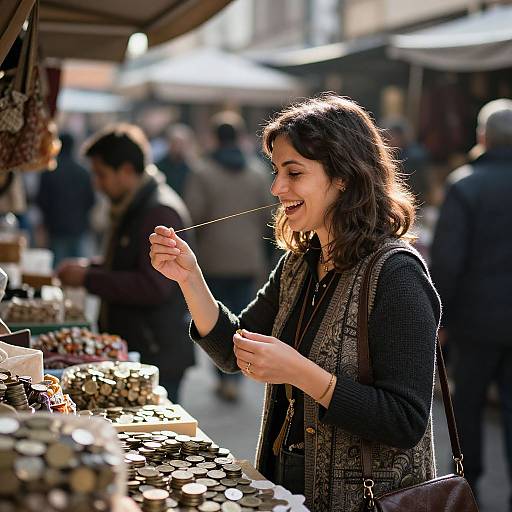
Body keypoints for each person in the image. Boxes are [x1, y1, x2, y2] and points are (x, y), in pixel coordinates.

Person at [150, 95, 440, 511]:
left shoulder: (396, 275)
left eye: (294, 173)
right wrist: (189, 277)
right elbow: (235, 350)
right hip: (287, 479)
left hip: (365, 500)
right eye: (276, 171)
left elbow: (405, 420)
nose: (276, 188)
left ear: (343, 177)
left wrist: (303, 374)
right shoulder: (302, 261)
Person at [57, 123, 195, 402]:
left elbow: (154, 285)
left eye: (101, 175)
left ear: (127, 171)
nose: (96, 183)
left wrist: (88, 278)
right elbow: (129, 263)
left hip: (155, 351)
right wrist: (91, 268)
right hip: (140, 344)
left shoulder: (159, 211)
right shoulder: (134, 204)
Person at [430, 99, 512, 509]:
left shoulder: (465, 184)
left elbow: (447, 260)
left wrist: (439, 317)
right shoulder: (466, 183)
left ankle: (468, 486)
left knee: (468, 404)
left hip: (475, 321)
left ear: (482, 137)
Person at [183, 111, 273, 402]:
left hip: (213, 259)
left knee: (215, 317)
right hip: (248, 259)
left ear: (214, 138)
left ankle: (224, 377)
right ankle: (239, 377)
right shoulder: (258, 173)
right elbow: (270, 218)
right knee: (243, 318)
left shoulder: (202, 172)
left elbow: (192, 215)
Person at [36, 133, 96, 267]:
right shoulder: (83, 172)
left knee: (58, 271)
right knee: (78, 270)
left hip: (56, 228)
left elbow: (41, 200)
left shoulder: (50, 171)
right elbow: (91, 200)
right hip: (78, 228)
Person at [156, 123, 198, 198]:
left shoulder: (194, 168)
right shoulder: (158, 167)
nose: (178, 147)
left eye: (181, 143)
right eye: (175, 143)